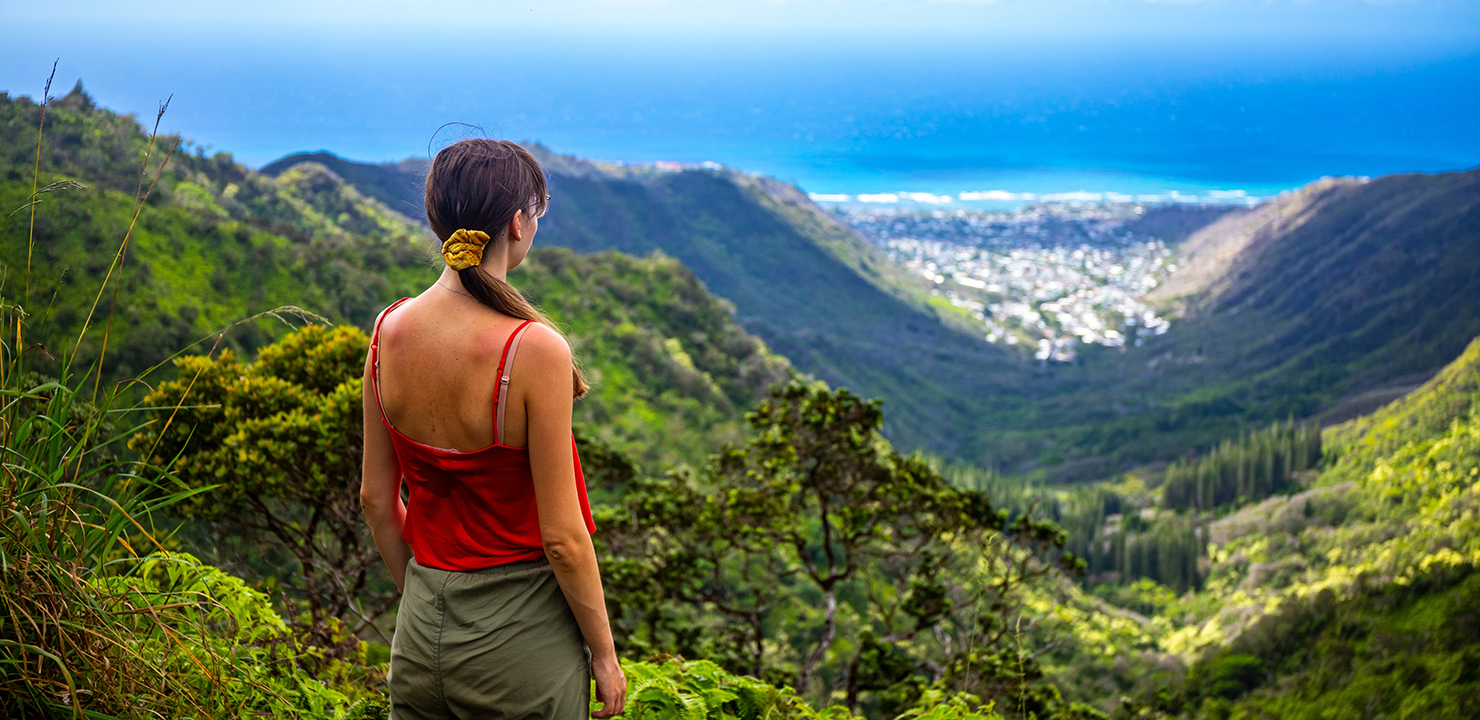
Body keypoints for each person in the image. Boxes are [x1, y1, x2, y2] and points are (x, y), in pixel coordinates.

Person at [360, 139, 626, 719]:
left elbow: (377, 501)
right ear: (517, 222)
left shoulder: (388, 332)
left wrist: (426, 605)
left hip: (419, 634)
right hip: (520, 643)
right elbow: (563, 537)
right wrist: (605, 657)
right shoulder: (531, 349)